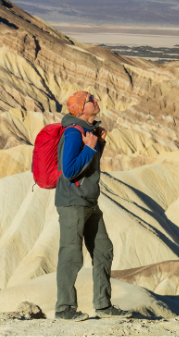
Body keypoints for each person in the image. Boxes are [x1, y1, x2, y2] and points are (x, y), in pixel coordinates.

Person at [54, 91, 132, 321]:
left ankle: (103, 305)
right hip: (72, 202)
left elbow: (88, 168)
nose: (97, 102)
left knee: (103, 250)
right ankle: (64, 308)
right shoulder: (73, 133)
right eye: (91, 100)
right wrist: (89, 147)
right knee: (71, 254)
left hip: (89, 201)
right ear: (80, 108)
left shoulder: (88, 132)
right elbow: (69, 171)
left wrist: (99, 144)